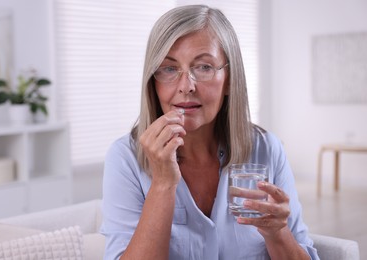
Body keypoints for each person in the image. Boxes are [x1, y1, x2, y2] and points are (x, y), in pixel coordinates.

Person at [100, 4, 319, 260]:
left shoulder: (266, 149)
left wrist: (277, 233)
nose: (186, 86)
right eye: (169, 68)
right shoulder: (125, 157)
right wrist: (162, 184)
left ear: (230, 79)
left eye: (203, 67)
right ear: (153, 82)